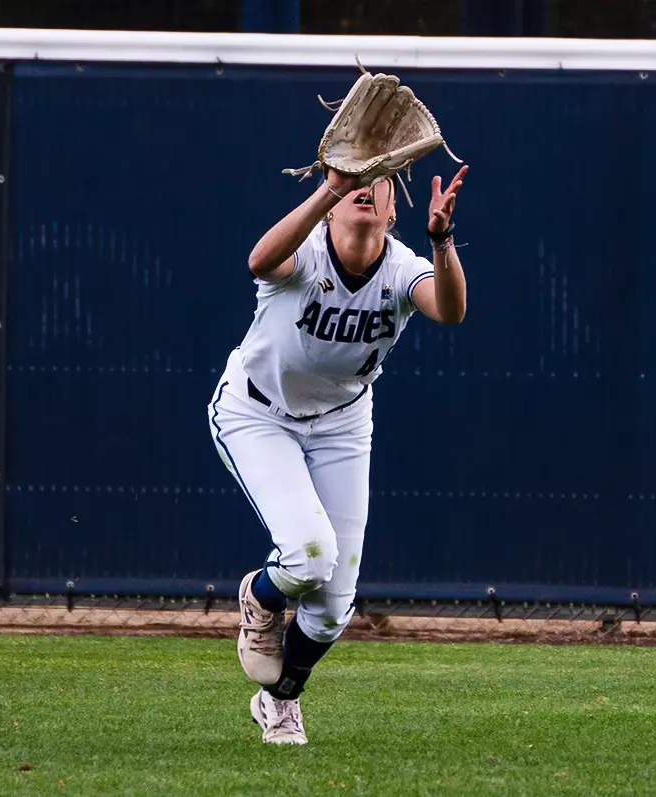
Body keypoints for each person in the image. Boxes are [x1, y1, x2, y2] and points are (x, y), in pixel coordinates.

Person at [206, 162, 469, 745]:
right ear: (330, 201)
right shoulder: (305, 253)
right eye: (353, 183)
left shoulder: (401, 267)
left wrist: (443, 240)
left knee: (333, 607)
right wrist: (330, 184)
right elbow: (258, 261)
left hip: (342, 425)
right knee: (307, 556)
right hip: (258, 412)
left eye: (378, 182)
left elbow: (450, 309)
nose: (365, 190)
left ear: (394, 209)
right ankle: (261, 595)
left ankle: (279, 701)